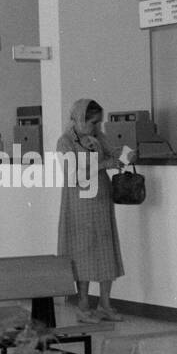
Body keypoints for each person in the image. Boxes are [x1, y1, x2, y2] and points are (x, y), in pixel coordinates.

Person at [56, 98, 127, 323]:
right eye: (93, 122)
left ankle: (105, 304)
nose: (96, 127)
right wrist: (104, 164)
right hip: (79, 200)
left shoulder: (98, 138)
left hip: (100, 198)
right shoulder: (65, 142)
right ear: (79, 119)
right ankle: (83, 304)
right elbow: (72, 174)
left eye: (99, 122)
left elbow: (113, 154)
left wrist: (124, 156)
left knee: (106, 248)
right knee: (83, 250)